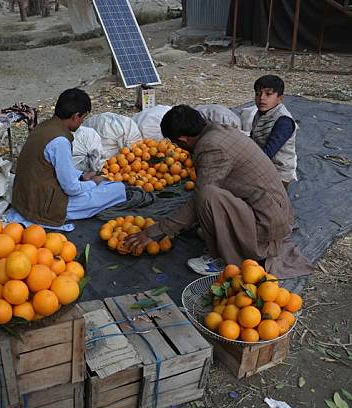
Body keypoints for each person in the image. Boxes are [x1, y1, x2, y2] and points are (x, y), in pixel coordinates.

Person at [125, 105, 313, 278]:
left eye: (176, 143)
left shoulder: (211, 147)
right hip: (273, 209)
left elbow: (200, 199)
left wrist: (153, 232)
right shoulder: (217, 130)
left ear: (183, 139)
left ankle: (227, 259)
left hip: (266, 223)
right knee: (206, 196)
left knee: (207, 196)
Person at [9, 88, 126, 227]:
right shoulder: (59, 141)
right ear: (75, 116)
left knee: (103, 186)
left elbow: (55, 168)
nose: (82, 121)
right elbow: (71, 189)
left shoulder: (44, 126)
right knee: (117, 189)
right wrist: (93, 182)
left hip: (23, 199)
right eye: (83, 117)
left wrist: (82, 176)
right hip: (42, 207)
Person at [250, 75, 297, 189]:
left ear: (280, 98)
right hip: (262, 164)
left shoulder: (284, 121)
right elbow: (253, 137)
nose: (262, 98)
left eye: (268, 94)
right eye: (258, 93)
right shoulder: (261, 113)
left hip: (278, 172)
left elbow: (269, 151)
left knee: (272, 203)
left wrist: (245, 159)